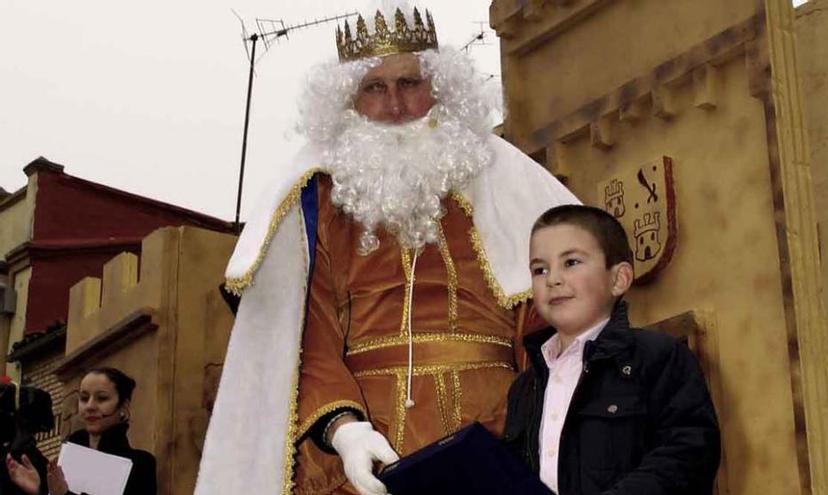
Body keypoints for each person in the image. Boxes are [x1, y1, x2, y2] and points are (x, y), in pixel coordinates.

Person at [195, 3, 578, 495]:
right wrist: (344, 430)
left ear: (439, 86)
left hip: (499, 430)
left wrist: (536, 418)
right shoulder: (315, 198)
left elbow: (555, 317)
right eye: (374, 88)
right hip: (362, 448)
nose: (395, 106)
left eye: (410, 84)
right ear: (348, 101)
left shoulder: (506, 175)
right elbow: (304, 335)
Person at [504, 205, 721, 495]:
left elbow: (687, 454)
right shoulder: (524, 388)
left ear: (618, 279)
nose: (552, 279)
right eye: (539, 269)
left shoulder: (658, 357)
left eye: (571, 262)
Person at [44, 368, 156, 495]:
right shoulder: (68, 454)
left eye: (102, 398)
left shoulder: (141, 464)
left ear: (124, 405)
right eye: (84, 398)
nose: (90, 406)